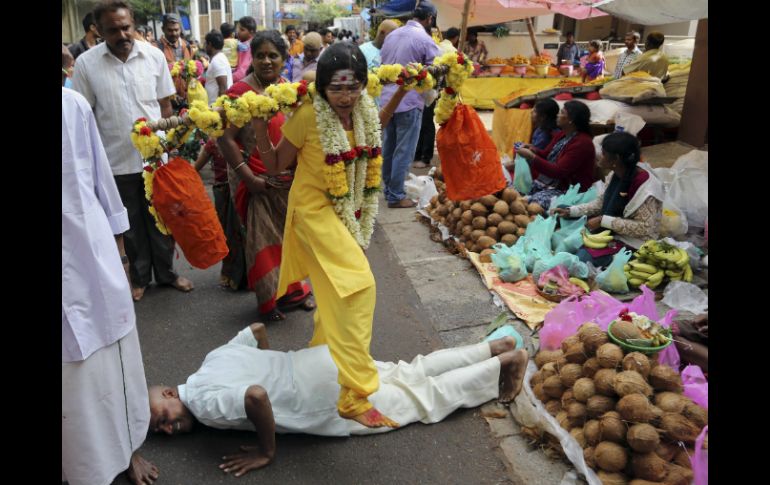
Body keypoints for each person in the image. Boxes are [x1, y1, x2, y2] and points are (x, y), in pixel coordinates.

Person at [248, 41, 413, 428]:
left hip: (343, 211)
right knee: (360, 286)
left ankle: (321, 356)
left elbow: (378, 128)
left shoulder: (365, 109)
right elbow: (274, 165)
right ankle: (355, 393)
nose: (345, 96)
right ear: (322, 87)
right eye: (336, 88)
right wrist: (258, 126)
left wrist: (402, 90)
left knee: (331, 288)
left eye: (353, 87)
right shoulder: (309, 115)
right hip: (311, 213)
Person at [147, 324, 528, 477]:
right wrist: (274, 364)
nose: (167, 427)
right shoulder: (211, 360)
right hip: (321, 361)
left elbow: (256, 396)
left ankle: (504, 365)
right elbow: (256, 332)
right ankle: (493, 347)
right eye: (160, 430)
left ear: (168, 393)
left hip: (325, 397)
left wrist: (267, 450)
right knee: (409, 372)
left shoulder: (202, 404)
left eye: (160, 416)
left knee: (422, 398)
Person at [62, 54, 158, 485]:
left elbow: (103, 187)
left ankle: (125, 454)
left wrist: (121, 262)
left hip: (89, 266)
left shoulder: (71, 108)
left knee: (108, 368)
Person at [72, 0, 193, 302]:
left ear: (133, 25)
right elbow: (82, 115)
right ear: (99, 31)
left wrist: (168, 147)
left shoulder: (153, 57)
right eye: (113, 30)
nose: (122, 34)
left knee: (162, 221)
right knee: (130, 226)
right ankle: (139, 279)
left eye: (126, 27)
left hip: (155, 160)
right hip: (114, 163)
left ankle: (167, 274)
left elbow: (165, 105)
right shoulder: (86, 64)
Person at [217, 31, 315, 321]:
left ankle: (295, 292)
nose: (267, 61)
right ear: (253, 59)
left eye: (273, 55)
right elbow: (225, 139)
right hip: (254, 178)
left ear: (285, 59)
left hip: (285, 178)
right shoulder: (239, 93)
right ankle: (269, 302)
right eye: (260, 55)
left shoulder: (288, 89)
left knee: (290, 238)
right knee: (262, 241)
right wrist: (247, 177)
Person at [551, 132, 663, 267]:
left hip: (631, 241)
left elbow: (645, 228)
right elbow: (600, 204)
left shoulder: (646, 187)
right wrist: (572, 211)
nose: (599, 156)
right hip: (608, 226)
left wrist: (603, 221)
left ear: (615, 159)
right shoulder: (615, 175)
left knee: (582, 257)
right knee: (564, 209)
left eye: (603, 154)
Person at [380, 0, 440, 208]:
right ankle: (395, 195)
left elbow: (383, 65)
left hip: (387, 101)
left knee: (389, 147)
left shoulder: (392, 35)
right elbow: (436, 70)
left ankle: (389, 189)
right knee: (404, 151)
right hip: (409, 100)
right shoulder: (424, 38)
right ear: (429, 19)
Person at [515, 101, 596, 211]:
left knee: (531, 205)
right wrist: (533, 149)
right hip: (549, 183)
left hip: (567, 190)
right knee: (513, 190)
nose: (557, 115)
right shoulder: (562, 134)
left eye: (562, 113)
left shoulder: (582, 143)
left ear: (571, 120)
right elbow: (546, 154)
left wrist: (532, 157)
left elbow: (559, 171)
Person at [194, 137, 247, 290]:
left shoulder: (242, 139)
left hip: (240, 189)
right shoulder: (213, 142)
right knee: (229, 235)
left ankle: (247, 275)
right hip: (224, 193)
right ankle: (232, 275)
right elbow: (195, 168)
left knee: (243, 234)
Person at [204, 30, 233, 103]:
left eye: (205, 44)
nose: (205, 46)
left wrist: (219, 108)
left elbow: (223, 87)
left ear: (210, 44)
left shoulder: (217, 60)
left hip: (216, 107)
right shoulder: (219, 58)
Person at [233, 16, 257, 82]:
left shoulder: (249, 47)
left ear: (251, 32)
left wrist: (229, 77)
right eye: (238, 29)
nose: (238, 32)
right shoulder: (240, 44)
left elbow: (243, 72)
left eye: (242, 30)